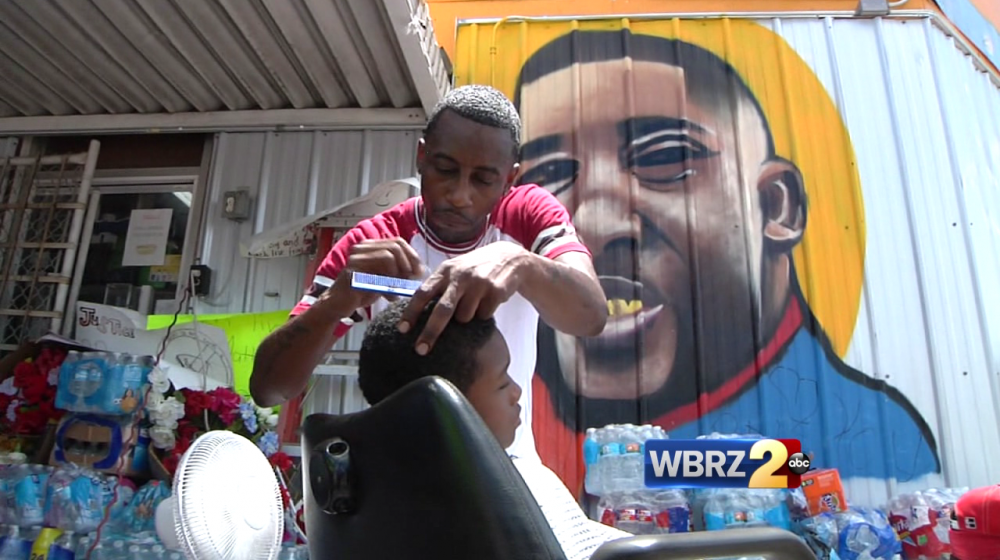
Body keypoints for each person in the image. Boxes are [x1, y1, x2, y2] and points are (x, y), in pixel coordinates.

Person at [511, 29, 939, 492]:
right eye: (548, 174)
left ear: (775, 206)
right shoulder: (502, 405)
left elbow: (797, 472)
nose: (594, 226)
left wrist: (659, 469)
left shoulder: (867, 441)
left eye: (665, 158)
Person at [249, 85, 608, 462]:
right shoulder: (377, 243)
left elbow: (592, 316)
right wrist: (333, 303)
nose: (459, 195)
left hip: (507, 472)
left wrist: (520, 264)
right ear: (421, 156)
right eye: (445, 169)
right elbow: (269, 389)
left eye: (483, 179)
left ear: (509, 179)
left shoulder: (526, 217)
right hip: (405, 476)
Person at [358, 299, 631, 560]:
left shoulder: (363, 502)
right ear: (442, 410)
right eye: (502, 383)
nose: (517, 391)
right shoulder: (526, 488)